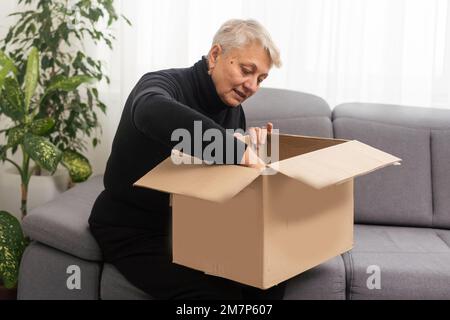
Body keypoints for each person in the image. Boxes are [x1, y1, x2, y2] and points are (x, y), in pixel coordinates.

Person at [88, 19, 285, 300]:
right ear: (215, 55)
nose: (252, 86)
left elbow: (226, 182)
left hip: (194, 231)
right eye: (246, 70)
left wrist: (255, 148)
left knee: (269, 279)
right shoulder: (162, 84)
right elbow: (150, 112)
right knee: (209, 297)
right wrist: (237, 151)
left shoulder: (233, 111)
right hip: (133, 230)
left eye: (261, 79)